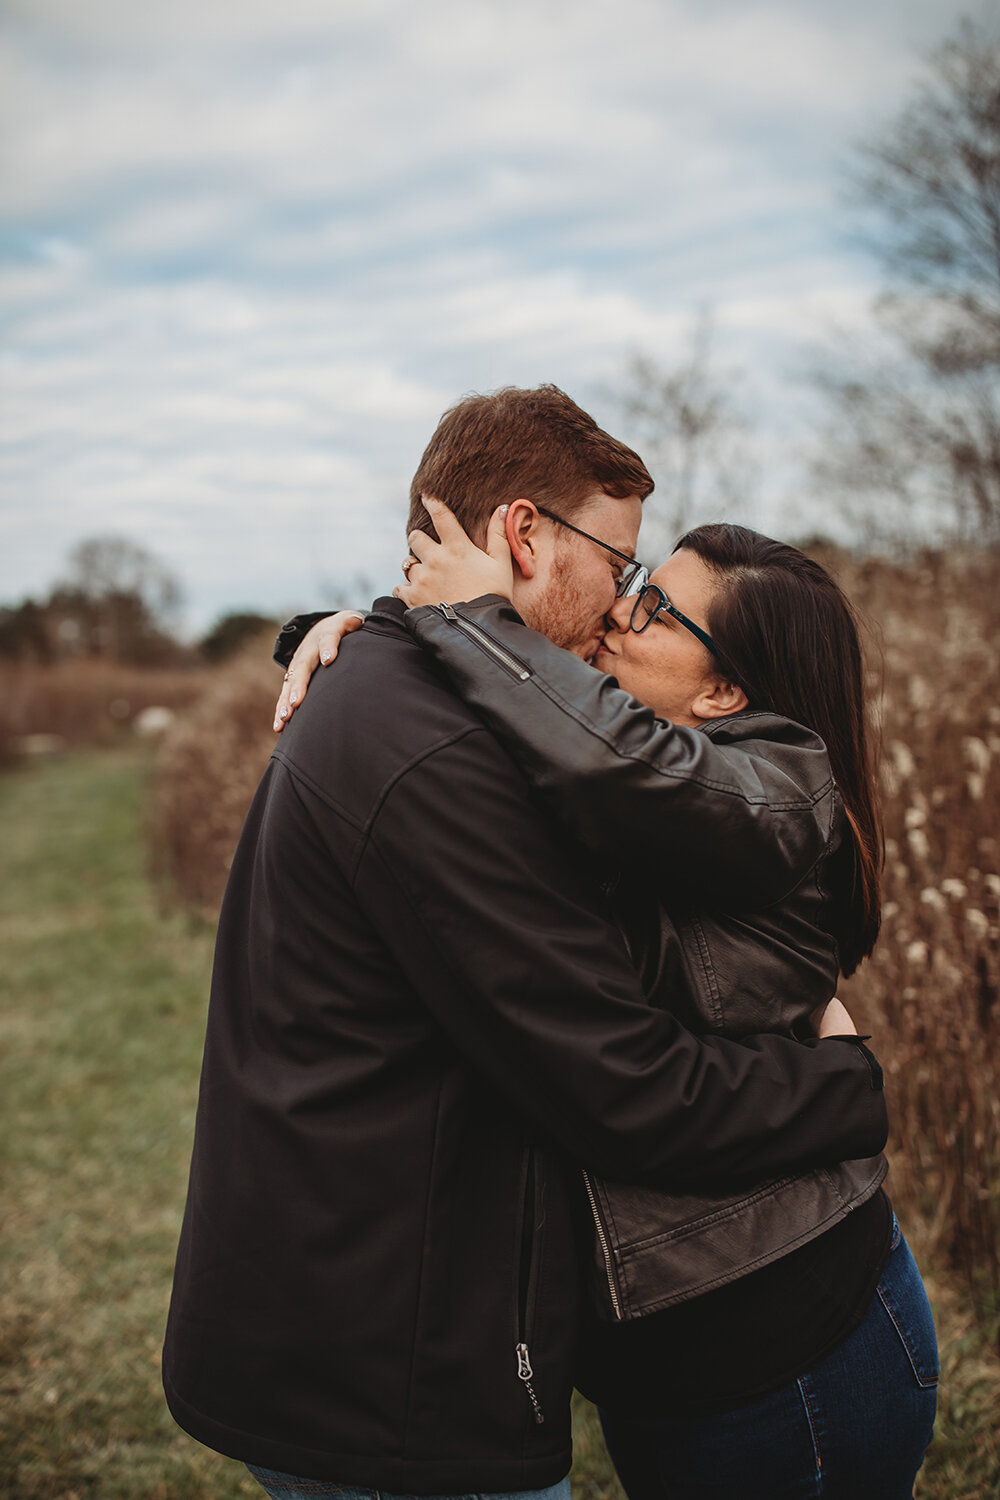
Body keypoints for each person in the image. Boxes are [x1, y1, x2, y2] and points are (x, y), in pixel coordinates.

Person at [162, 386, 889, 1500]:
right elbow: (621, 1084)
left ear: (729, 686)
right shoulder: (447, 748)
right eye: (622, 566)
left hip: (791, 1332)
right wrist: (375, 622)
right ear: (521, 535)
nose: (618, 601)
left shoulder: (751, 786)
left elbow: (604, 755)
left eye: (649, 599)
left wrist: (422, 623)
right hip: (407, 1376)